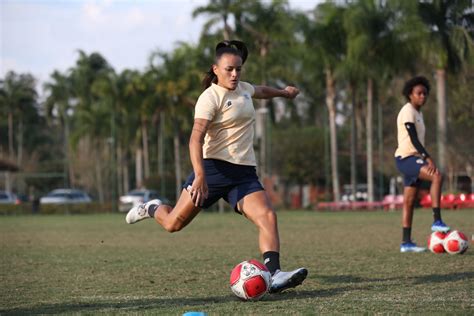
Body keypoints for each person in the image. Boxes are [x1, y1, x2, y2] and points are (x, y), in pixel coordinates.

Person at [126, 40, 308, 293]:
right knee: (173, 224)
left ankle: (275, 273)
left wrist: (283, 93)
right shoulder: (209, 98)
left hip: (243, 172)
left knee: (267, 216)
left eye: (239, 69)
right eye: (229, 69)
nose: (234, 74)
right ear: (215, 69)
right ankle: (153, 207)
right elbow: (195, 139)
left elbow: (261, 90)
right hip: (212, 170)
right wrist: (200, 175)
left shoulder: (243, 89)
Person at [394, 76, 450, 253]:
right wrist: (427, 157)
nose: (422, 96)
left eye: (425, 93)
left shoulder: (419, 113)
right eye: (418, 93)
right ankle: (437, 221)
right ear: (410, 94)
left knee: (409, 201)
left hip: (412, 158)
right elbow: (413, 138)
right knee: (436, 175)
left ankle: (406, 243)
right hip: (406, 158)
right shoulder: (408, 110)